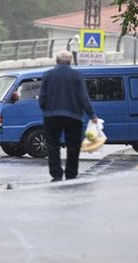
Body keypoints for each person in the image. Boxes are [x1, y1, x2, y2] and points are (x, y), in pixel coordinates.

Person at [39, 50, 97, 181]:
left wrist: (46, 109)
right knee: (73, 146)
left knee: (53, 145)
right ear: (71, 61)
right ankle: (71, 173)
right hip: (73, 116)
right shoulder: (77, 76)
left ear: (56, 61)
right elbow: (83, 98)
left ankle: (56, 174)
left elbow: (42, 97)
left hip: (52, 116)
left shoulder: (48, 75)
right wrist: (92, 114)